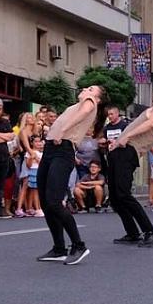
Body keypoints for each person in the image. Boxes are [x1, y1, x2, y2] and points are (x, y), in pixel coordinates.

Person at [36, 85, 104, 265]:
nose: (85, 89)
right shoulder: (75, 106)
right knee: (45, 202)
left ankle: (78, 245)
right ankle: (59, 248)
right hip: (51, 149)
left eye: (90, 89)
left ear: (97, 98)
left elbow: (86, 110)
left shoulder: (89, 103)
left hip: (63, 149)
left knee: (54, 201)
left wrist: (63, 129)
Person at [106, 87, 153, 247]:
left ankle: (150, 231)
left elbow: (151, 123)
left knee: (123, 194)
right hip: (122, 150)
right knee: (116, 197)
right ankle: (132, 233)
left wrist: (127, 137)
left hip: (128, 150)